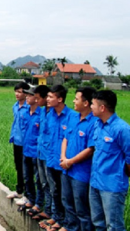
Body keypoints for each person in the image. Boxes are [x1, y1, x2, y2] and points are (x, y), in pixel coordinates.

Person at [89, 90, 130, 231]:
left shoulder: (122, 129)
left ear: (102, 108)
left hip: (112, 187)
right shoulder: (98, 124)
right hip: (95, 182)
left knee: (114, 226)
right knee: (98, 223)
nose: (91, 107)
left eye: (93, 104)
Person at [59, 87, 97, 231]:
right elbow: (65, 139)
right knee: (67, 202)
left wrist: (70, 161)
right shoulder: (73, 117)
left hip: (81, 173)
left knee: (81, 207)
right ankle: (70, 227)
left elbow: (90, 149)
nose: (74, 101)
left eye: (76, 98)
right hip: (67, 169)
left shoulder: (94, 122)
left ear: (86, 103)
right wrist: (63, 158)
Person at [39, 85, 74, 231]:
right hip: (50, 159)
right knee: (54, 191)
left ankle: (66, 222)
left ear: (60, 99)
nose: (47, 99)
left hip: (64, 163)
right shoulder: (49, 114)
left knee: (66, 195)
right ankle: (57, 218)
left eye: (51, 97)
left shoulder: (72, 116)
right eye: (47, 96)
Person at [31, 85, 53, 221]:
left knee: (52, 186)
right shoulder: (43, 111)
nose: (36, 100)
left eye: (38, 98)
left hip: (50, 156)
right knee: (42, 182)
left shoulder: (57, 115)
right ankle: (47, 209)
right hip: (40, 152)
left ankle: (53, 213)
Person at [20, 88, 44, 214]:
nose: (27, 97)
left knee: (38, 179)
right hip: (26, 149)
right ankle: (30, 198)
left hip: (36, 151)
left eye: (30, 95)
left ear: (36, 98)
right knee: (27, 177)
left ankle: (39, 203)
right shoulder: (25, 112)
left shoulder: (42, 114)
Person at [7, 82, 30, 203]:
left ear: (26, 93)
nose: (17, 94)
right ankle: (19, 191)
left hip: (26, 143)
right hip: (16, 140)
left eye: (20, 92)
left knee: (26, 169)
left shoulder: (29, 108)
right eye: (16, 91)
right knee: (18, 167)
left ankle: (27, 194)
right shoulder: (15, 106)